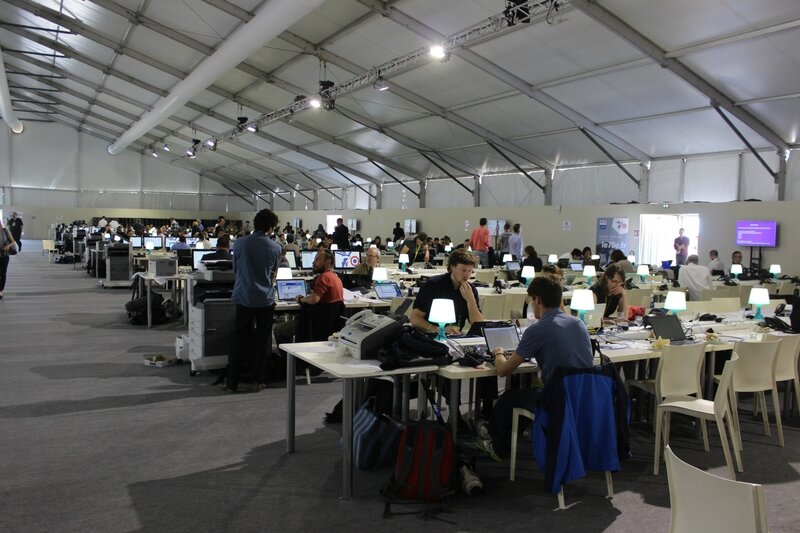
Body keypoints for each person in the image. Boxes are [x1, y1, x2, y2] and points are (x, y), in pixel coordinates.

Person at [475, 276, 594, 460]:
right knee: (527, 395)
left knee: (510, 398)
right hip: (584, 396)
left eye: (531, 300)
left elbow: (503, 370)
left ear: (537, 300)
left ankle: (498, 447)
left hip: (557, 400)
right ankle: (510, 437)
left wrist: (498, 353)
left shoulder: (538, 329)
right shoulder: (578, 323)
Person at [225, 209, 281, 392]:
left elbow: (235, 270)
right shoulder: (275, 248)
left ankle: (232, 382)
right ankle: (258, 380)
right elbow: (273, 274)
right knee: (263, 341)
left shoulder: (239, 243)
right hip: (265, 299)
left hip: (244, 297)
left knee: (239, 339)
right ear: (271, 228)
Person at [411, 248, 483, 335]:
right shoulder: (433, 285)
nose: (466, 275)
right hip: (429, 335)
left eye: (470, 271)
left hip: (456, 337)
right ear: (452, 267)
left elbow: (478, 325)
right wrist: (437, 329)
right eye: (463, 270)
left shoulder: (471, 290)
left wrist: (470, 300)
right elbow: (415, 318)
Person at [0, 220, 18, 299]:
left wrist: (8, 246)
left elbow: (13, 242)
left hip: (4, 255)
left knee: (3, 273)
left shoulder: (5, 231)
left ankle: (1, 290)